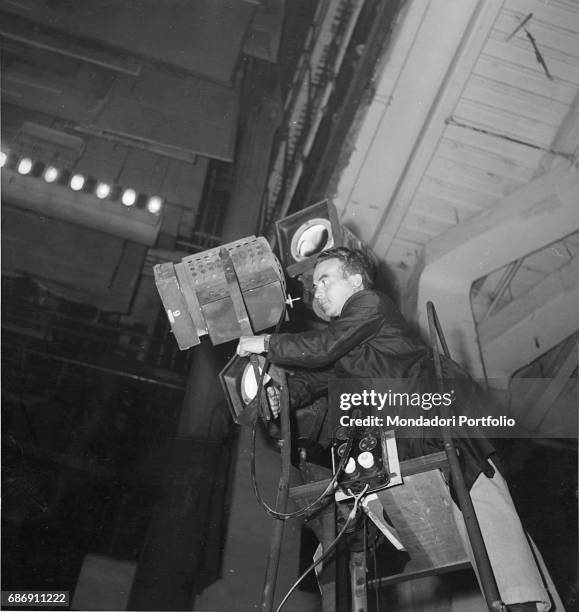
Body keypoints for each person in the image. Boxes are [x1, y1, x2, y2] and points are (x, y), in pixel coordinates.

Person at [237, 247, 552, 612]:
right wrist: (278, 397)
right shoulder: (348, 344)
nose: (317, 291)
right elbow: (312, 378)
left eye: (325, 280)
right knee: (458, 518)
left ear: (355, 280)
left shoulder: (370, 303)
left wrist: (265, 343)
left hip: (437, 417)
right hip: (410, 439)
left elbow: (322, 347)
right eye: (315, 285)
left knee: (483, 506)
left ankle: (523, 602)